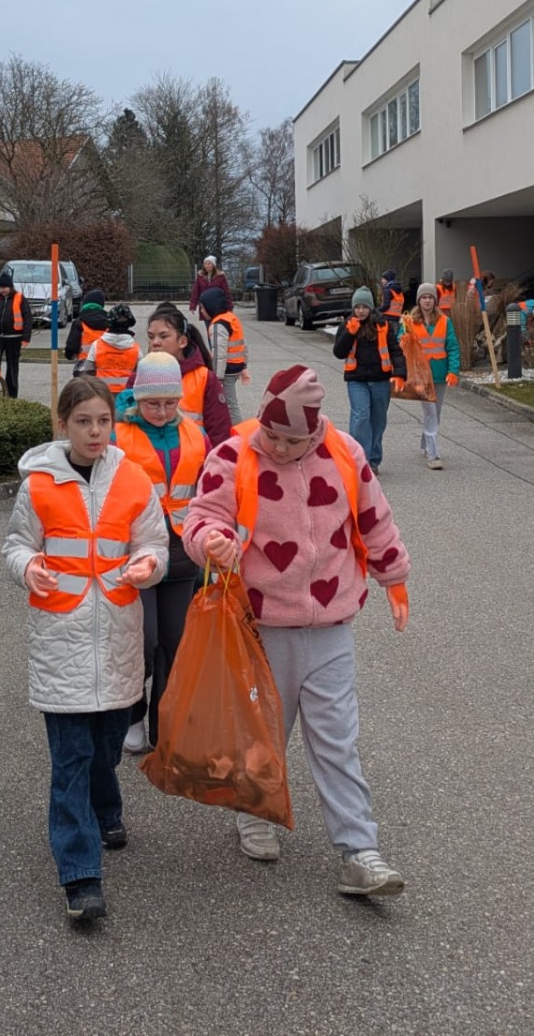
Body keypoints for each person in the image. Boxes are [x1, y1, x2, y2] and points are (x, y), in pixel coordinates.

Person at [181, 365, 411, 898]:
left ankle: (360, 851)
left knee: (337, 740)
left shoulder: (345, 454)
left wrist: (394, 579)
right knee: (265, 731)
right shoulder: (233, 455)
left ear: (315, 430)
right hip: (261, 627)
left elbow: (375, 520)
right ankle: (254, 810)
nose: (280, 448)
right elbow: (202, 514)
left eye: (293, 440)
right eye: (272, 435)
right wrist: (210, 539)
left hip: (331, 625)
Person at [2, 376, 168, 924]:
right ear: (62, 425)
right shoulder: (38, 485)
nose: (95, 432)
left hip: (118, 636)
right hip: (61, 640)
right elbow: (17, 544)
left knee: (106, 745)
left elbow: (154, 543)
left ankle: (106, 805)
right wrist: (28, 567)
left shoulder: (133, 479)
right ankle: (81, 875)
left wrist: (148, 565)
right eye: (82, 422)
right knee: (70, 759)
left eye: (103, 421)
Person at [111, 353, 208, 756]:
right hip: (136, 553)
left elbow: (208, 493)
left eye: (170, 403)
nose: (162, 411)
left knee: (175, 642)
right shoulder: (117, 436)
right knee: (143, 641)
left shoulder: (195, 435)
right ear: (138, 398)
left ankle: (163, 723)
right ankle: (132, 713)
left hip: (182, 554)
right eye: (153, 403)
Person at [332, 285, 406, 470]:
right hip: (357, 380)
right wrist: (349, 333)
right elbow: (339, 352)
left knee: (378, 421)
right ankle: (360, 461)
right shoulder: (347, 325)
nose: (360, 311)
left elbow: (395, 351)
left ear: (371, 308)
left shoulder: (383, 325)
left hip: (380, 380)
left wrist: (400, 373)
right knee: (361, 416)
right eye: (357, 307)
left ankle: (373, 459)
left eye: (364, 307)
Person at [145, 304, 232, 446]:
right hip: (150, 457)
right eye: (151, 336)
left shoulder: (205, 378)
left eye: (163, 336)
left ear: (182, 342)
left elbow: (220, 433)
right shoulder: (140, 376)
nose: (155, 342)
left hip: (195, 457)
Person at [403, 283, 461, 469]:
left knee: (436, 412)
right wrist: (404, 340)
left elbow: (452, 347)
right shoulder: (410, 321)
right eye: (424, 297)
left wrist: (453, 371)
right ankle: (433, 454)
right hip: (420, 375)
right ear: (418, 301)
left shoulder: (444, 321)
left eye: (430, 297)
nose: (427, 301)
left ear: (435, 301)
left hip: (439, 374)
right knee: (430, 412)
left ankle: (425, 443)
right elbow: (400, 343)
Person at [197, 286, 248, 418]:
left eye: (202, 308)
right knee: (228, 402)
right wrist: (244, 365)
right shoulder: (231, 318)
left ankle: (236, 429)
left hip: (226, 370)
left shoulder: (218, 325)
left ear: (211, 306)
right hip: (237, 365)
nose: (201, 311)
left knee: (231, 405)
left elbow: (219, 353)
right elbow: (243, 343)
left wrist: (217, 377)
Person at [82, 304, 141, 392]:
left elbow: (88, 371)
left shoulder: (97, 345)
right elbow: (140, 374)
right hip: (126, 396)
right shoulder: (136, 349)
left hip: (102, 393)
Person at [0, 270, 30, 399]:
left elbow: (27, 318)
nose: (2, 290)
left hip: (14, 338)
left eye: (4, 287)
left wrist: (26, 338)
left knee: (12, 366)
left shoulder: (20, 298)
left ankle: (12, 394)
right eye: (0, 287)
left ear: (10, 286)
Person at [64, 289, 111, 373]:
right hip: (104, 368)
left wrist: (69, 355)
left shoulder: (79, 323)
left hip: (83, 368)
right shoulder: (110, 323)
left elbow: (71, 349)